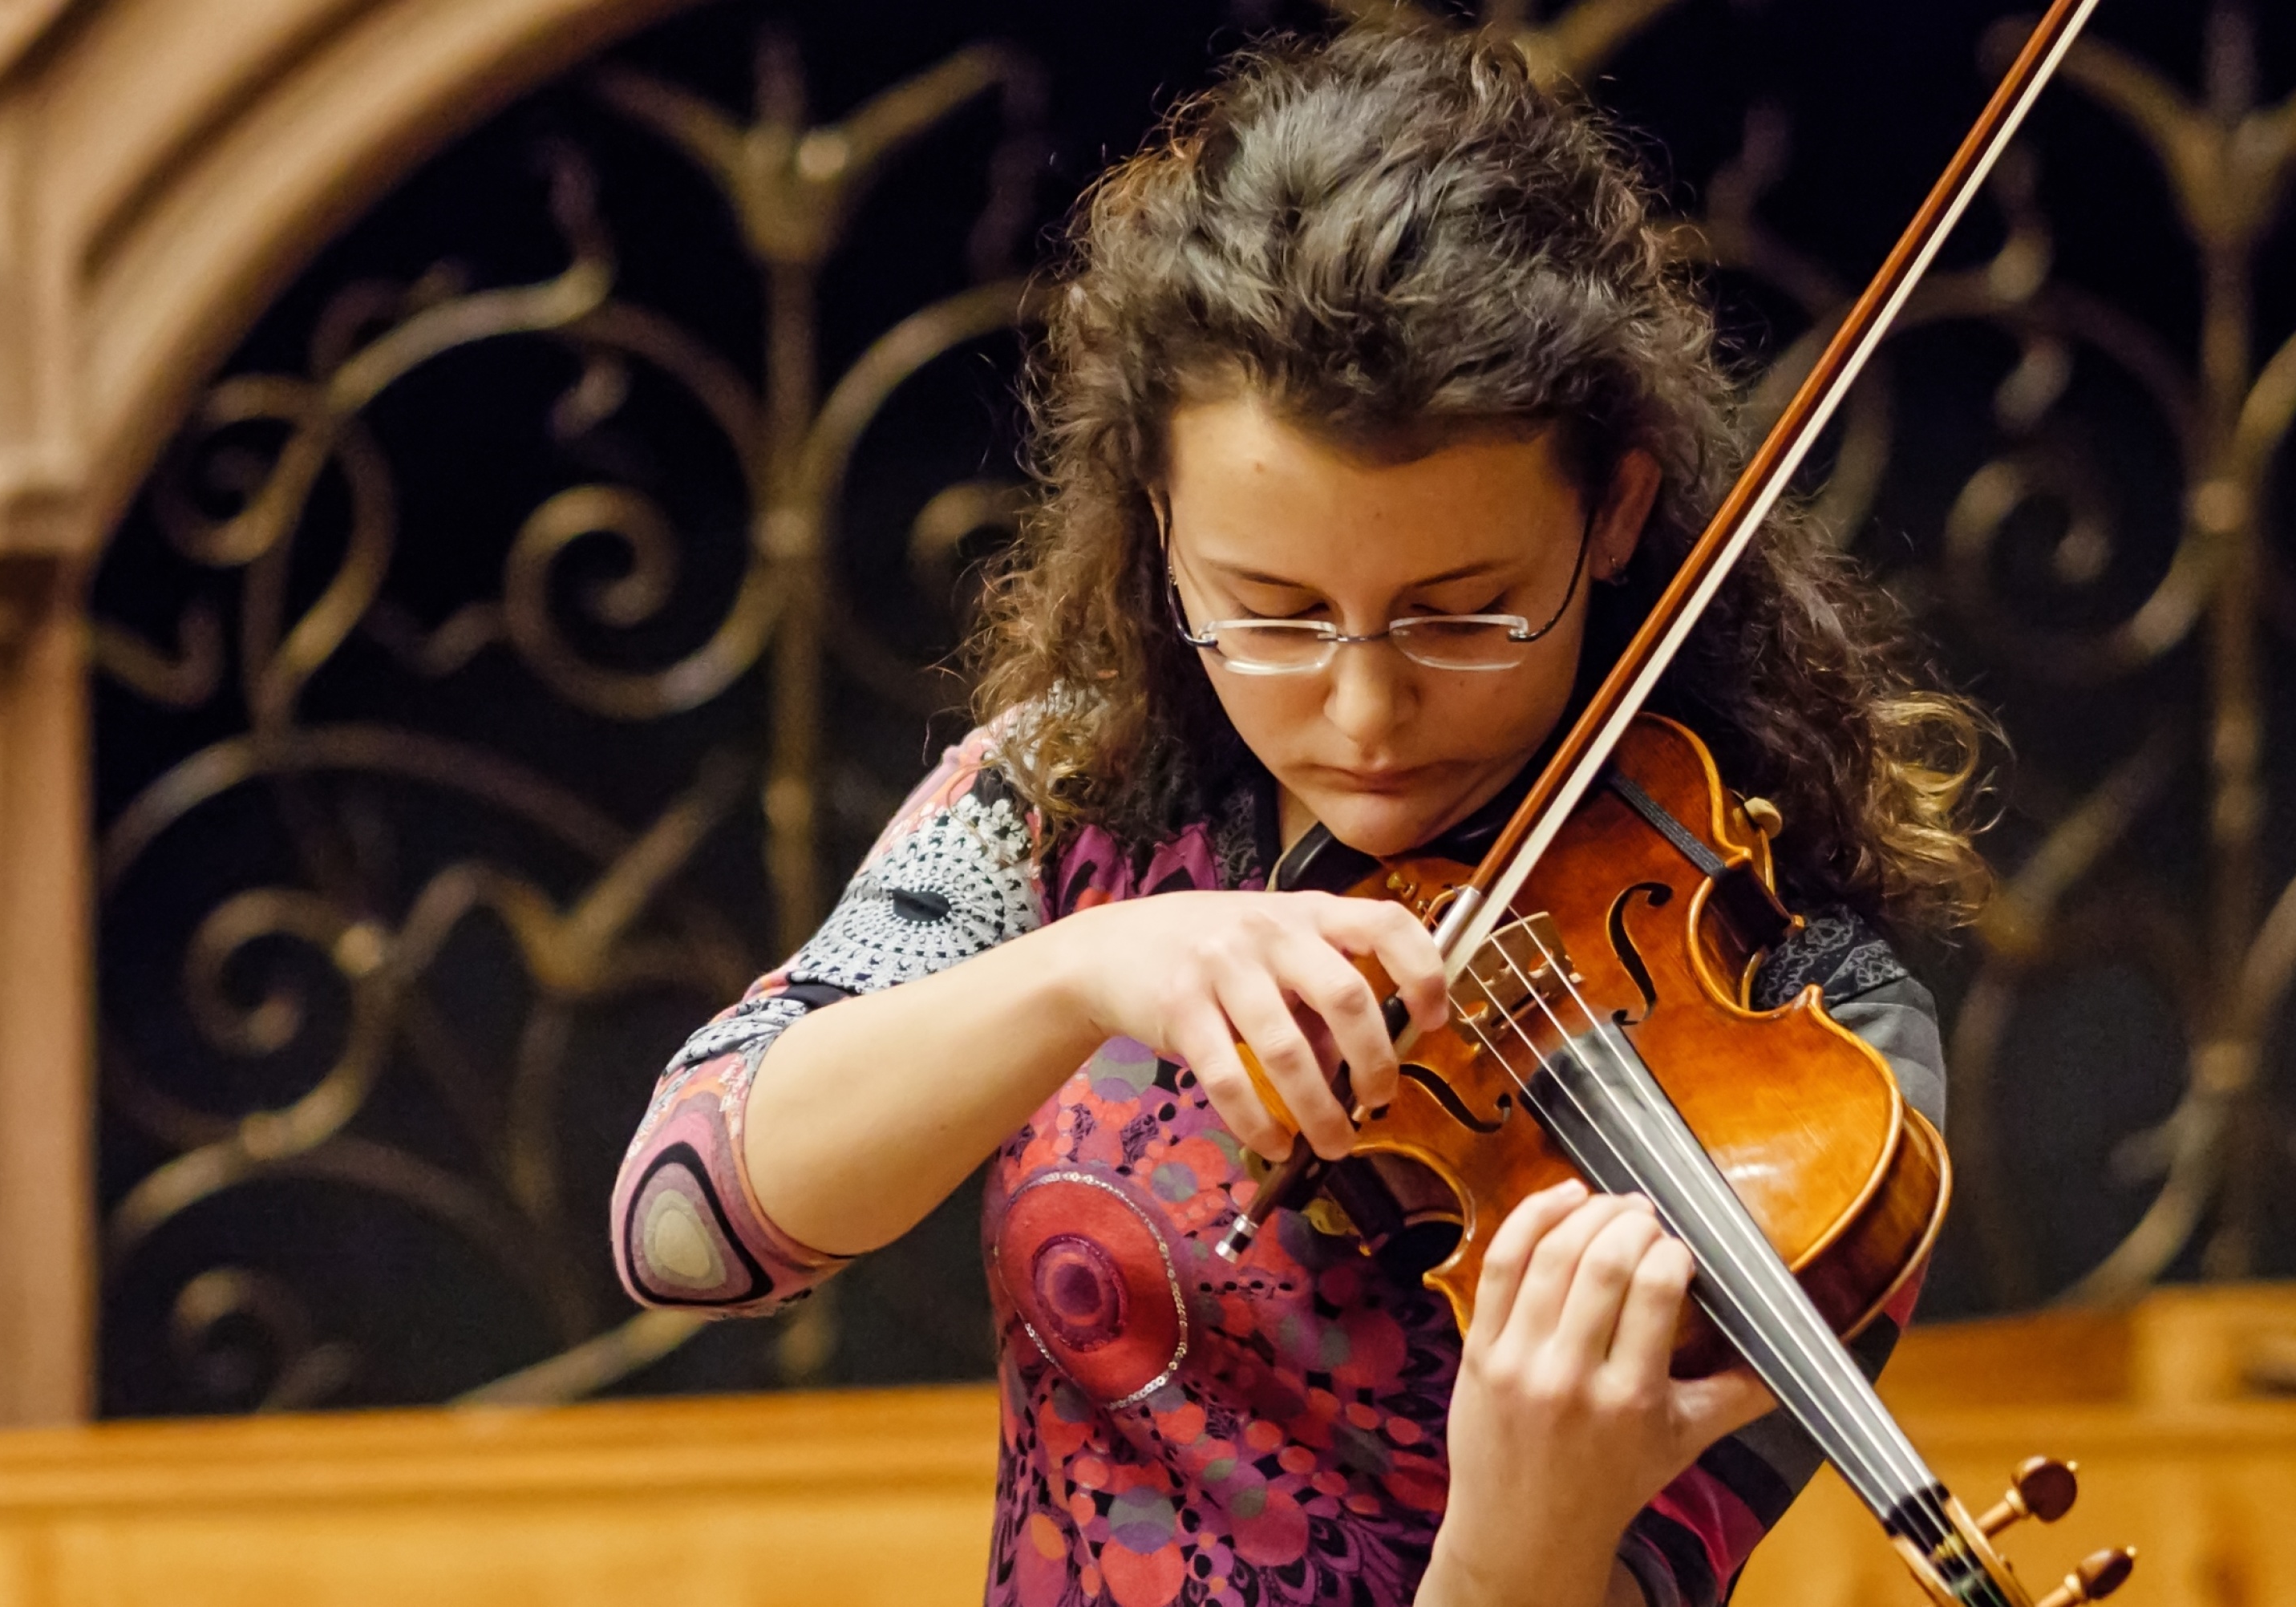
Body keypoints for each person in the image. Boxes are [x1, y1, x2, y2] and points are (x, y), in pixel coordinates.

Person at [610, 25, 1987, 1607]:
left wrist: (1522, 1530)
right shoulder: (1070, 801)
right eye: (1267, 612)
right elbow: (684, 1234)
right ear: (1159, 526)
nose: (1362, 711)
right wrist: (1091, 969)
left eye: (1461, 615)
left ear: (1610, 512)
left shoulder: (1809, 1050)